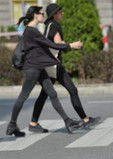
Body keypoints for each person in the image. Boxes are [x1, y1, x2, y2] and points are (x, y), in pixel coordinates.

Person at [6, 6, 83, 137]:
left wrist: (54, 60)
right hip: (32, 69)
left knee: (52, 93)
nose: (43, 16)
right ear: (36, 15)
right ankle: (12, 125)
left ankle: (67, 121)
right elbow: (50, 44)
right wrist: (71, 45)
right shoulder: (31, 31)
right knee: (23, 96)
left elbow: (42, 49)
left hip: (38, 67)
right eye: (41, 14)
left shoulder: (32, 31)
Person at [28, 3, 100, 133]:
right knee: (72, 90)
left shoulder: (50, 25)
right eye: (61, 12)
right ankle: (85, 120)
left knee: (44, 95)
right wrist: (73, 45)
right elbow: (58, 44)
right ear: (55, 14)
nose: (63, 14)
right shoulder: (53, 25)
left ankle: (33, 123)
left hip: (49, 66)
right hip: (53, 66)